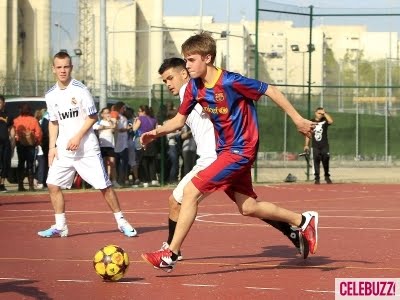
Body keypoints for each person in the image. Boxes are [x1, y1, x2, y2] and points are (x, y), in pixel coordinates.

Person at [141, 46, 319, 273]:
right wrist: (155, 133)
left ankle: (171, 253)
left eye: (171, 77)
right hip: (224, 153)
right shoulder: (194, 90)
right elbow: (177, 121)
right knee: (248, 206)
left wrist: (297, 119)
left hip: (227, 154)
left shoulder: (220, 82)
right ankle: (301, 222)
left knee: (187, 194)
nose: (168, 83)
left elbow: (269, 90)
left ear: (204, 60)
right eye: (185, 61)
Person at [37, 51, 137, 238]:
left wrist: (77, 137)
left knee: (104, 186)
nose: (63, 71)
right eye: (59, 67)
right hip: (64, 151)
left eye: (66, 66)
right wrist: (52, 147)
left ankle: (122, 222)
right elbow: (53, 121)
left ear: (71, 68)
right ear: (53, 69)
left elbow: (93, 117)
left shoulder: (80, 90)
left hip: (86, 149)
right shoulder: (50, 95)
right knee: (52, 185)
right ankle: (61, 226)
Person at [13, 103, 43, 191]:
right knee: (30, 165)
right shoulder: (33, 120)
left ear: (20, 110)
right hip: (31, 145)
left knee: (21, 164)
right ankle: (31, 186)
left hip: (20, 145)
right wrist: (37, 142)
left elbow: (14, 133)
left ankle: (20, 186)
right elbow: (39, 133)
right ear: (29, 110)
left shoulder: (16, 120)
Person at [304, 107, 333, 184]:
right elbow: (308, 134)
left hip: (325, 145)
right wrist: (306, 145)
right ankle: (317, 178)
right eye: (319, 113)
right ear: (315, 113)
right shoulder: (311, 122)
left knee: (326, 160)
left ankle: (327, 176)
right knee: (316, 162)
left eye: (321, 113)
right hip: (315, 146)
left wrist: (325, 113)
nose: (320, 115)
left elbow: (330, 121)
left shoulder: (324, 121)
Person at [93, 107, 119, 187]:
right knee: (103, 164)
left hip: (110, 145)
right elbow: (97, 127)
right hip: (102, 145)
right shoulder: (99, 122)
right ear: (102, 114)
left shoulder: (112, 122)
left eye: (108, 113)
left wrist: (110, 123)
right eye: (106, 113)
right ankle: (104, 180)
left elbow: (113, 130)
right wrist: (107, 127)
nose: (108, 114)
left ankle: (114, 181)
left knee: (112, 163)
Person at [0, 95, 15, 192]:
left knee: (5, 164)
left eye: (0, 102)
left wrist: (12, 142)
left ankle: (2, 184)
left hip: (5, 143)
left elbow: (11, 129)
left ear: (3, 103)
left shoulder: (8, 115)